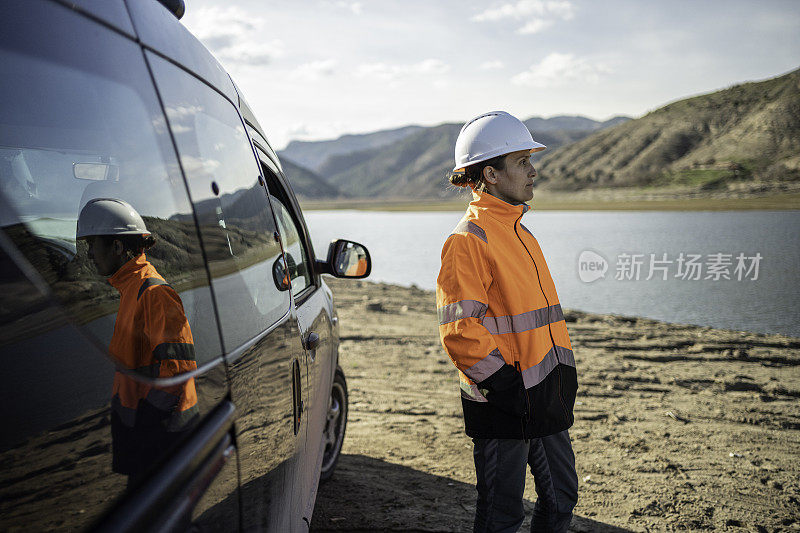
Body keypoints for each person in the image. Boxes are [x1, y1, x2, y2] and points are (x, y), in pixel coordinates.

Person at [436, 111, 579, 532]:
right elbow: (460, 331)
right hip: (503, 401)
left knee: (561, 499)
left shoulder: (521, 232)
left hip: (544, 393)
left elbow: (539, 322)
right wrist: (505, 387)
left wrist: (561, 380)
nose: (533, 172)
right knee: (502, 513)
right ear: (491, 174)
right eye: (522, 162)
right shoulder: (468, 240)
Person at [77, 198, 199, 485]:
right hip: (145, 433)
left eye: (92, 244)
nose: (90, 253)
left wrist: (146, 426)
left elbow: (178, 372)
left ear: (117, 247)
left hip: (161, 438)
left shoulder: (153, 292)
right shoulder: (130, 287)